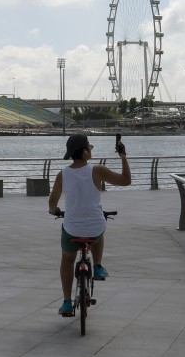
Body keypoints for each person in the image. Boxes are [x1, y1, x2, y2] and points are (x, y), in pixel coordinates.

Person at [47, 133, 131, 317]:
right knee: (99, 228)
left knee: (67, 260)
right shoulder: (97, 170)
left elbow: (52, 202)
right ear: (85, 152)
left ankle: (67, 302)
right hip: (95, 228)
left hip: (71, 229)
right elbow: (126, 181)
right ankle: (98, 266)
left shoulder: (63, 174)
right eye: (90, 147)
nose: (91, 150)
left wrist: (54, 211)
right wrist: (123, 156)